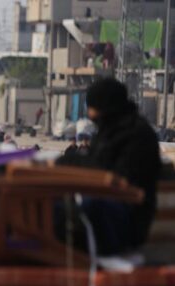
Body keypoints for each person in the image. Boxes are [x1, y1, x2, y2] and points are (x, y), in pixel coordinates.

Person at [56, 78, 161, 255]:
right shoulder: (110, 130)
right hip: (109, 209)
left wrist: (70, 162)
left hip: (126, 219)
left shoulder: (136, 134)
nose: (90, 114)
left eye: (92, 108)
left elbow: (107, 172)